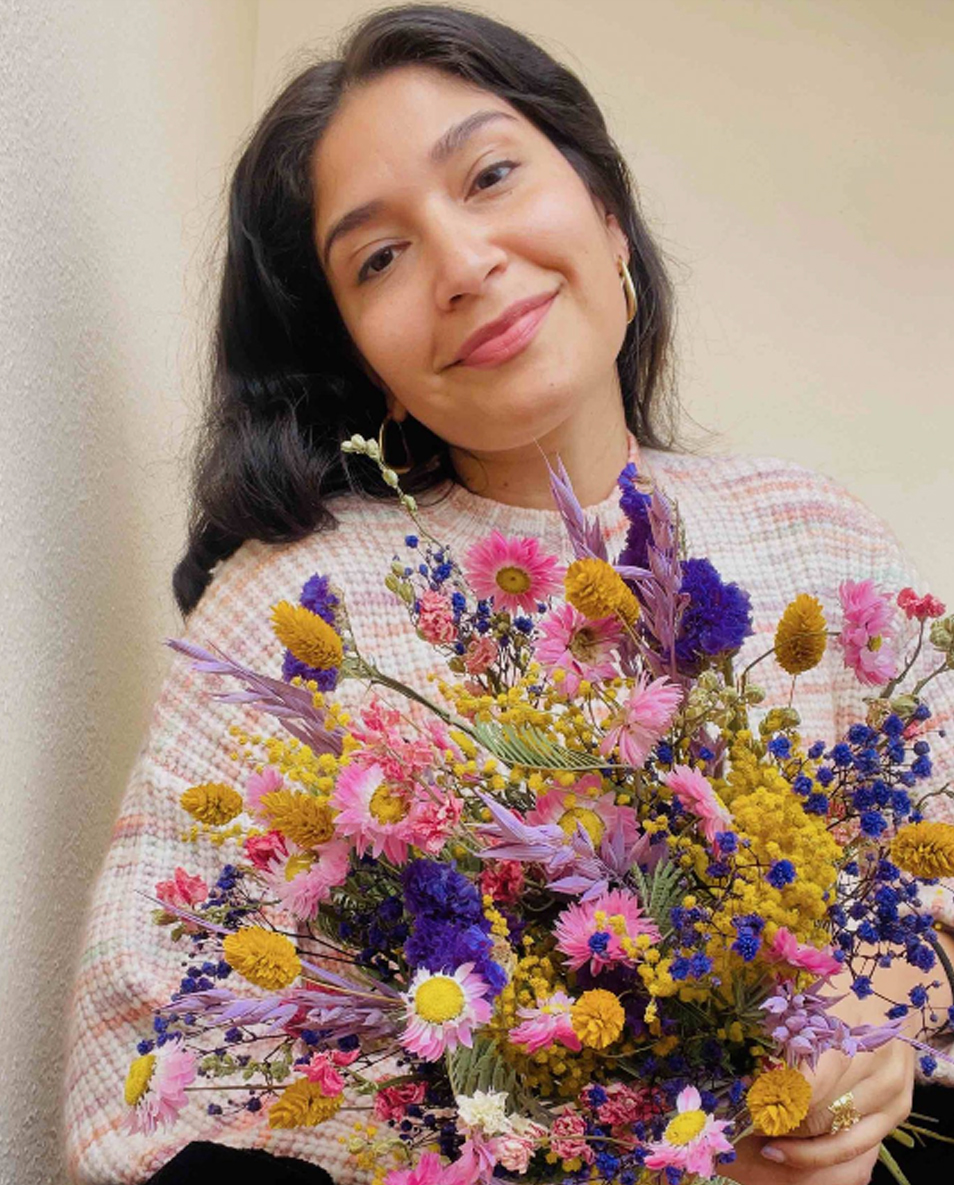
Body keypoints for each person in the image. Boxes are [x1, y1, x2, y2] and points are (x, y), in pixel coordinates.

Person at [63, 6, 954, 1184]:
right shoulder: (290, 618)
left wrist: (867, 1040)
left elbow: (932, 902)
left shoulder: (817, 537)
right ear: (355, 355)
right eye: (379, 257)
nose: (466, 264)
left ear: (607, 209)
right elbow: (134, 1090)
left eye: (489, 176)